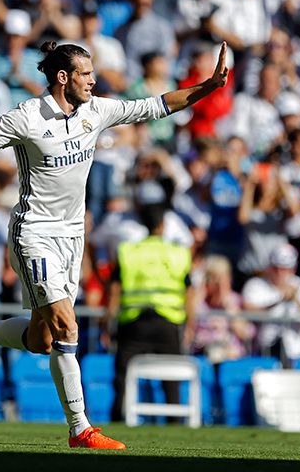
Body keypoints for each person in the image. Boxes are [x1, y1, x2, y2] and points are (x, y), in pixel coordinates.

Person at [0, 40, 229, 449]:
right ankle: (80, 429)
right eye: (86, 74)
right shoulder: (27, 116)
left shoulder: (96, 111)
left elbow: (157, 105)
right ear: (64, 78)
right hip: (34, 234)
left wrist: (208, 87)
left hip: (72, 237)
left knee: (43, 340)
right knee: (66, 326)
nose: (94, 80)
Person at [108, 181, 194, 422]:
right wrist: (191, 324)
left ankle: (119, 419)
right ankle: (175, 421)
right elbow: (189, 291)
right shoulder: (177, 252)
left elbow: (115, 289)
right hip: (169, 322)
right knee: (171, 379)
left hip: (133, 322)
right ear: (163, 225)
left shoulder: (128, 251)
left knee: (123, 375)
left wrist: (108, 322)